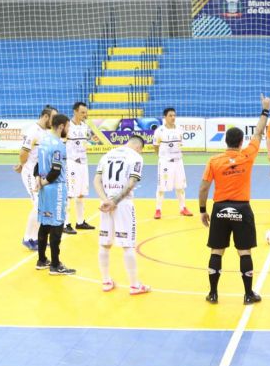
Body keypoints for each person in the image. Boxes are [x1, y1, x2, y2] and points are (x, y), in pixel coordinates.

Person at [199, 94, 270, 305]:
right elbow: (258, 132)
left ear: (225, 141)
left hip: (220, 208)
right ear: (241, 142)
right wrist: (265, 110)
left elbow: (204, 187)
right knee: (244, 251)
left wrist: (203, 210)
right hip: (241, 208)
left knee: (217, 251)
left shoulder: (214, 161)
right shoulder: (247, 156)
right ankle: (248, 294)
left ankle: (213, 293)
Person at [93, 134, 150, 295]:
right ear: (139, 147)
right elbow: (131, 183)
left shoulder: (108, 155)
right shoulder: (136, 157)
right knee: (127, 245)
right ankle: (134, 285)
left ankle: (106, 281)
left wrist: (106, 200)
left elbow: (96, 181)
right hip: (122, 204)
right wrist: (115, 201)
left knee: (104, 243)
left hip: (105, 204)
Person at [35, 113, 76, 275]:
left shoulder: (43, 141)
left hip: (45, 188)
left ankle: (41, 259)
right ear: (61, 127)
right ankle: (55, 265)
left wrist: (39, 181)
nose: (69, 130)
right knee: (57, 224)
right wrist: (44, 183)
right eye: (68, 127)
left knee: (45, 222)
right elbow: (56, 170)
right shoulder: (59, 145)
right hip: (56, 188)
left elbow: (37, 165)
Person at [14, 105, 57, 250]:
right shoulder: (33, 131)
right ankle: (28, 238)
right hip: (31, 174)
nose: (54, 121)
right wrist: (22, 164)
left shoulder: (46, 132)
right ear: (45, 117)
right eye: (53, 118)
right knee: (39, 205)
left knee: (41, 206)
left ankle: (34, 238)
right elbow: (23, 153)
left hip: (41, 174)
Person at [152, 107, 193, 219]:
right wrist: (162, 157)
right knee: (161, 187)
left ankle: (183, 208)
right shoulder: (159, 131)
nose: (173, 117)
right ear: (165, 117)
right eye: (170, 115)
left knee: (180, 186)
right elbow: (155, 146)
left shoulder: (179, 130)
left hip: (178, 162)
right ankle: (158, 210)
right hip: (165, 163)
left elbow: (180, 145)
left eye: (174, 115)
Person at [64, 101, 95, 234]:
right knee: (70, 194)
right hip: (71, 163)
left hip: (83, 163)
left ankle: (80, 222)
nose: (85, 114)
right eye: (82, 112)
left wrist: (92, 140)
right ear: (75, 111)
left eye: (86, 112)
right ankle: (65, 223)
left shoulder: (85, 126)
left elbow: (87, 140)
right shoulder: (67, 126)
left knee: (81, 194)